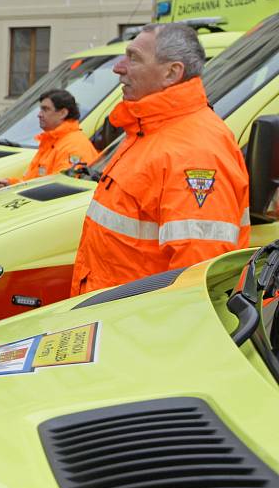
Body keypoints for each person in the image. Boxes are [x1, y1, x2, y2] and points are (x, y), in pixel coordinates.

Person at [71, 23, 250, 296]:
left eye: (134, 58)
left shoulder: (195, 151)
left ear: (171, 73)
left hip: (140, 326)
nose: (119, 68)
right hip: (118, 318)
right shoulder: (149, 130)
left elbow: (196, 283)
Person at [5, 89, 97, 183]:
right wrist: (10, 184)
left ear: (63, 113)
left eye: (45, 109)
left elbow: (61, 187)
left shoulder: (74, 145)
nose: (39, 114)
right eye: (41, 109)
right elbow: (33, 182)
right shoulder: (52, 141)